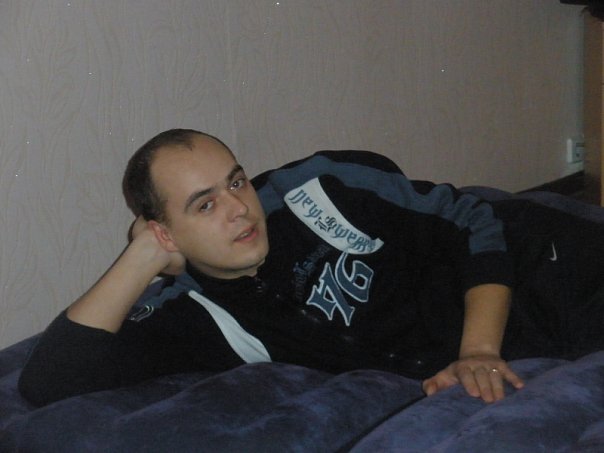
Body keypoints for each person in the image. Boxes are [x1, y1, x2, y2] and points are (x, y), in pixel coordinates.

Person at [19, 129, 604, 407]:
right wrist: (142, 255)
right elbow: (49, 383)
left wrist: (476, 351)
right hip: (503, 364)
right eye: (205, 205)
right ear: (165, 232)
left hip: (540, 270)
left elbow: (473, 220)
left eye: (236, 182)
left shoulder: (316, 189)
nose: (239, 208)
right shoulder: (193, 314)